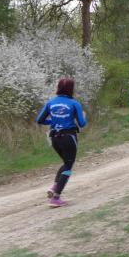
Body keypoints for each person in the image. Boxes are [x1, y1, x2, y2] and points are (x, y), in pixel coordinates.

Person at [36, 78, 88, 208]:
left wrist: (53, 121)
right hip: (68, 137)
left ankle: (54, 187)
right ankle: (56, 197)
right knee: (68, 166)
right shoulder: (74, 103)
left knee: (66, 163)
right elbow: (82, 124)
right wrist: (83, 116)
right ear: (71, 89)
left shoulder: (50, 102)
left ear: (58, 88)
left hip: (54, 137)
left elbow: (39, 120)